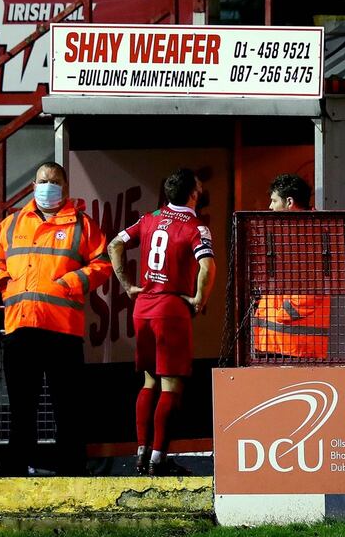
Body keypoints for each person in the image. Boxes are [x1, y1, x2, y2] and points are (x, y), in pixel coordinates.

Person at [0, 161, 112, 476]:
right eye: (42, 180)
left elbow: (103, 264)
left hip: (62, 330)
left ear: (64, 188)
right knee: (21, 406)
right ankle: (16, 466)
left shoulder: (82, 225)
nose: (47, 186)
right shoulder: (12, 224)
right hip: (20, 326)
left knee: (67, 407)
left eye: (53, 181)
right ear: (32, 185)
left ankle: (71, 468)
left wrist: (70, 283)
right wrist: (1, 280)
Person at [108, 168, 215, 476]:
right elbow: (207, 268)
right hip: (170, 309)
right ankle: (158, 459)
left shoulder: (150, 218)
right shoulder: (196, 227)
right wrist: (198, 300)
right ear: (194, 194)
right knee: (171, 384)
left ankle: (141, 453)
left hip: (142, 308)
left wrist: (128, 286)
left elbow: (114, 244)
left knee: (148, 380)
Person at [252, 174, 329, 360]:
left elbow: (314, 288)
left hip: (293, 344)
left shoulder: (309, 236)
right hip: (280, 341)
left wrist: (281, 314)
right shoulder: (296, 233)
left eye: (273, 200)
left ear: (289, 202)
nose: (270, 207)